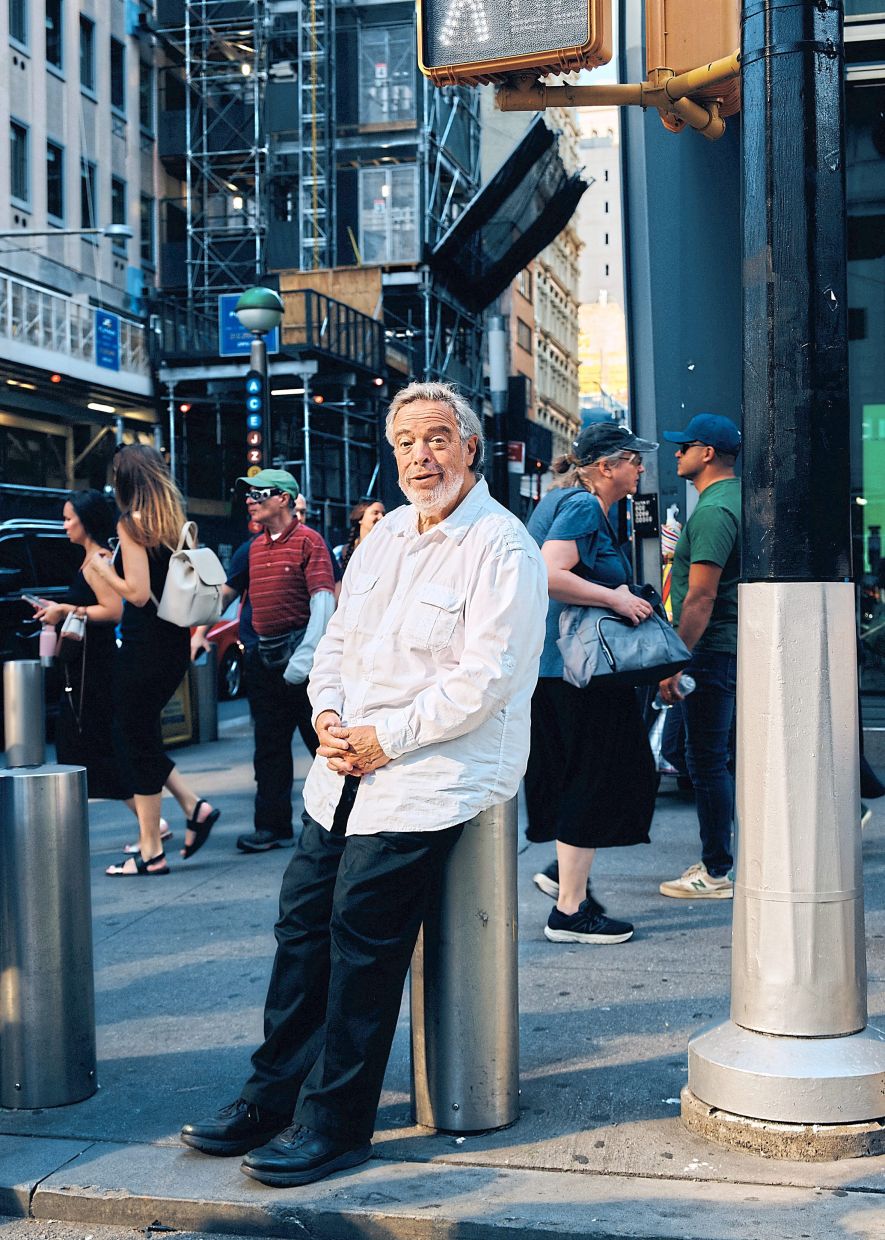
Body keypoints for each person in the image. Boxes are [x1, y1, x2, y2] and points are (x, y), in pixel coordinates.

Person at [180, 380, 546, 1189]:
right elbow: (335, 640)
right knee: (299, 929)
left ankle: (334, 1123)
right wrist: (332, 715)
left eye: (438, 437)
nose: (422, 455)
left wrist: (388, 737)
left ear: (470, 447)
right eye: (408, 441)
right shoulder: (380, 540)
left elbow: (487, 676)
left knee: (360, 942)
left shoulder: (501, 545)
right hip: (344, 768)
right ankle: (269, 1097)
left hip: (432, 774)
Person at [525, 423, 659, 945]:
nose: (641, 468)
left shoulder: (562, 500)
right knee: (595, 775)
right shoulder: (583, 507)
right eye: (633, 459)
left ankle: (566, 876)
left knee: (579, 774)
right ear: (606, 467)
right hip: (579, 671)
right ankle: (570, 911)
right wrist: (617, 598)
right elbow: (550, 572)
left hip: (557, 668)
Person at [86, 446, 220, 875]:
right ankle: (191, 808)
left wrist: (104, 570)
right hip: (173, 645)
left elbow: (138, 593)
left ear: (125, 482)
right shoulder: (175, 524)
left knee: (131, 738)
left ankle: (150, 851)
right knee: (139, 736)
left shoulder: (131, 525)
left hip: (144, 647)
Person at [209, 469, 336, 854]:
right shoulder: (251, 550)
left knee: (323, 745)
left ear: (283, 498)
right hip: (262, 662)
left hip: (300, 660)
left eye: (257, 493)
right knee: (269, 748)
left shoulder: (310, 543)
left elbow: (323, 602)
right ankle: (272, 825)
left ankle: (338, 822)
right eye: (246, 494)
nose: (249, 500)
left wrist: (308, 657)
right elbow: (222, 598)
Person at [656, 413, 741, 899]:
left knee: (705, 761)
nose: (676, 453)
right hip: (723, 648)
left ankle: (714, 871)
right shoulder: (733, 499)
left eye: (683, 446)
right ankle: (718, 860)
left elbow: (700, 598)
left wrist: (676, 660)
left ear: (707, 453)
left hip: (708, 650)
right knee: (717, 760)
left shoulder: (711, 512)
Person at [34, 491, 132, 803]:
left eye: (67, 519)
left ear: (85, 522)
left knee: (93, 746)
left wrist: (66, 611)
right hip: (87, 667)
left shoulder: (98, 562)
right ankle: (152, 826)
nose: (63, 526)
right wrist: (61, 607)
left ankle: (152, 826)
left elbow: (114, 609)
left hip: (95, 668)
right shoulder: (91, 561)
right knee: (91, 746)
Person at [336, 498, 386, 571]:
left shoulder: (387, 550)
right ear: (360, 518)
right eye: (375, 513)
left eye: (384, 514)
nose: (381, 517)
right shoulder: (339, 553)